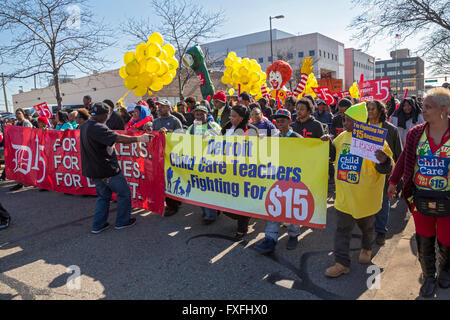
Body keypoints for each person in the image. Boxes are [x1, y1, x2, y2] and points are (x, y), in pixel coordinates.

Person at [387, 87, 450, 298]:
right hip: (420, 197)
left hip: (448, 200)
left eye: (428, 107)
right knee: (424, 238)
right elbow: (404, 158)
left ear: (444, 109)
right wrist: (393, 181)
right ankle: (429, 276)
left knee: (446, 239)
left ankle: (446, 271)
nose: (423, 110)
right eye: (423, 105)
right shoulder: (416, 133)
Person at [322, 102, 393, 278]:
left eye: (348, 121)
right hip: (345, 196)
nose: (344, 124)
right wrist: (327, 142)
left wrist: (384, 161)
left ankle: (367, 248)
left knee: (367, 228)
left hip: (365, 196)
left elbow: (387, 168)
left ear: (360, 122)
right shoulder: (342, 137)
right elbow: (332, 153)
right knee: (342, 231)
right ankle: (341, 263)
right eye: (344, 120)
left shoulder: (375, 140)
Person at [80, 102, 152, 234]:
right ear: (104, 115)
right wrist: (140, 139)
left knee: (103, 196)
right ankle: (122, 221)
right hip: (107, 169)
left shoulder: (85, 125)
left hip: (93, 170)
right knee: (124, 194)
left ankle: (98, 225)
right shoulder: (97, 127)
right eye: (107, 115)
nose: (108, 117)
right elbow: (118, 138)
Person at [254, 109, 303, 254]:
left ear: (289, 121)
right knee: (273, 207)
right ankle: (270, 239)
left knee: (291, 209)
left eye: (283, 120)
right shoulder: (273, 137)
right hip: (275, 179)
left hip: (293, 180)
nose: (280, 123)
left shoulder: (297, 137)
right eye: (277, 120)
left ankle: (294, 235)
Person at [367, 100, 403, 246]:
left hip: (384, 173)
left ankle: (381, 231)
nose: (369, 111)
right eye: (368, 109)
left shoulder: (391, 130)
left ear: (381, 111)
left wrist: (398, 178)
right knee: (367, 201)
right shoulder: (362, 128)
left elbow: (399, 154)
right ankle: (368, 229)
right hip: (366, 173)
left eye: (372, 109)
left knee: (383, 202)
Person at [220, 104, 259, 238]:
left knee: (243, 199)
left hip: (245, 171)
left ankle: (243, 226)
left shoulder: (252, 130)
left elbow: (257, 151)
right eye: (230, 115)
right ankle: (243, 216)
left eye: (234, 116)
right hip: (229, 169)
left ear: (242, 117)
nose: (230, 118)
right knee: (228, 199)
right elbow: (219, 143)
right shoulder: (227, 127)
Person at [186, 105, 222, 224]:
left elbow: (222, 142)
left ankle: (210, 215)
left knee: (209, 190)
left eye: (202, 114)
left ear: (207, 115)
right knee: (199, 189)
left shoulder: (214, 126)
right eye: (197, 114)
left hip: (211, 165)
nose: (199, 116)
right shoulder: (191, 128)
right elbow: (184, 143)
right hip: (196, 164)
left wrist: (210, 138)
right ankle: (207, 210)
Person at [153, 99, 183, 217]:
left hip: (172, 157)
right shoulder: (155, 122)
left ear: (169, 108)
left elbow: (181, 139)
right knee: (164, 181)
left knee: (171, 181)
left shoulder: (175, 121)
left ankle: (172, 206)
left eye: (163, 107)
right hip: (160, 157)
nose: (159, 109)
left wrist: (168, 133)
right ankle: (173, 202)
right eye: (158, 107)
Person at [9, 108, 33, 191]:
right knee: (19, 165)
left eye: (19, 113)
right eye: (16, 114)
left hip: (26, 148)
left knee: (26, 165)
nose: (17, 115)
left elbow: (28, 136)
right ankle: (20, 183)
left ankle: (29, 182)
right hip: (18, 147)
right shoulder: (16, 123)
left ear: (23, 114)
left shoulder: (26, 123)